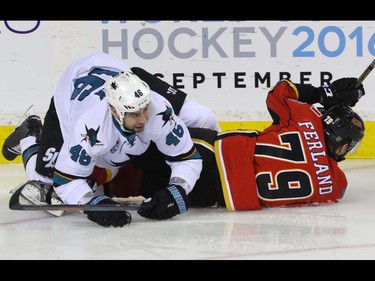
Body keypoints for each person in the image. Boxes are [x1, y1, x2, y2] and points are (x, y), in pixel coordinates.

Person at [2, 51, 220, 227]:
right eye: (135, 114)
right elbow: (67, 180)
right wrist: (93, 205)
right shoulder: (90, 127)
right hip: (69, 97)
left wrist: (179, 188)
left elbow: (186, 158)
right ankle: (31, 136)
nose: (144, 118)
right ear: (115, 112)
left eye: (145, 110)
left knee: (203, 117)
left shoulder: (155, 108)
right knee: (49, 188)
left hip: (123, 79)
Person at [106, 76, 366, 218]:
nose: (345, 151)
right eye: (347, 145)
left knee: (136, 152)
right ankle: (101, 184)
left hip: (211, 153)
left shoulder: (306, 119)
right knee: (147, 184)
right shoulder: (335, 185)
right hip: (215, 197)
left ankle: (83, 169)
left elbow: (280, 91)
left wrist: (324, 93)